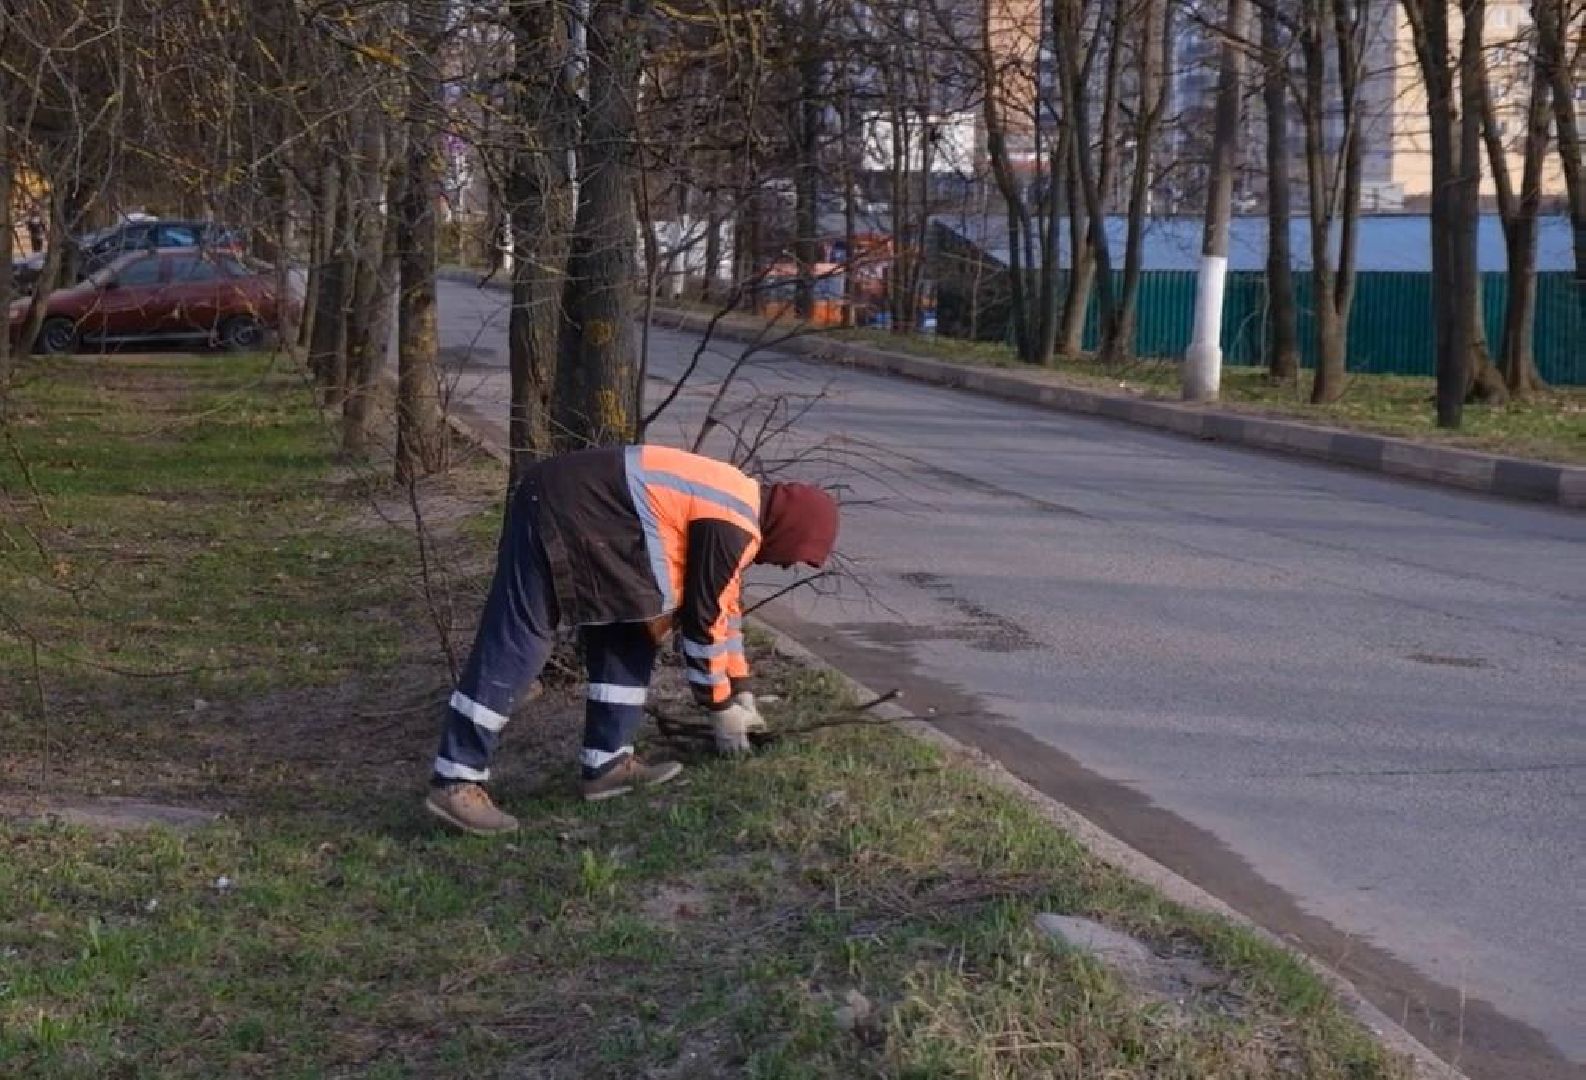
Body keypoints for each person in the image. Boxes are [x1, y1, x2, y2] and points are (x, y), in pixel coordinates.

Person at [425, 444, 840, 835]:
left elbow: (725, 614)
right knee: (519, 639)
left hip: (589, 511)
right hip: (561, 504)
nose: (788, 565)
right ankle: (455, 781)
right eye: (798, 554)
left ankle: (607, 765)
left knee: (630, 631)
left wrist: (741, 691)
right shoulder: (731, 523)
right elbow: (702, 622)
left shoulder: (738, 507)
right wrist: (719, 708)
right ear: (792, 528)